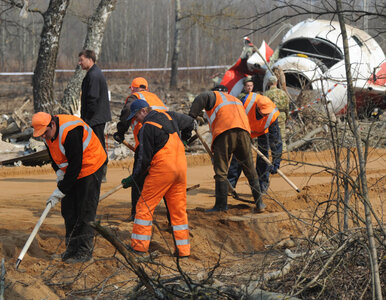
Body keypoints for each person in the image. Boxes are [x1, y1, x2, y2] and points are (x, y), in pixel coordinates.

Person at [31, 112, 107, 263]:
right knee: (68, 210)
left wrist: (61, 190)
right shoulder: (48, 135)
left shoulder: (71, 131)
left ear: (52, 124)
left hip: (91, 166)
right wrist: (59, 173)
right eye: (41, 135)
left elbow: (76, 165)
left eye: (45, 133)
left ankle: (84, 253)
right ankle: (71, 250)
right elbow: (54, 156)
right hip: (73, 170)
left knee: (85, 210)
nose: (43, 137)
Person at [121, 100, 190, 257]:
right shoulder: (169, 116)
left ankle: (139, 247)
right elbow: (191, 123)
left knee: (144, 207)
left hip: (163, 169)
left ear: (144, 111)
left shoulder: (147, 127)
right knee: (178, 210)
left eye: (136, 116)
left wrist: (135, 178)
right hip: (181, 166)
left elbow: (144, 159)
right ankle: (183, 250)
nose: (136, 120)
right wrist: (185, 139)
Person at [189, 85, 265, 213]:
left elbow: (203, 97)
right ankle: (260, 203)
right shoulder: (235, 99)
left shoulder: (214, 95)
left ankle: (221, 205)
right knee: (250, 169)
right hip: (244, 133)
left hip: (225, 132)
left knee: (221, 170)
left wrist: (191, 116)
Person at [113, 77, 169, 220]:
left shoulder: (135, 97)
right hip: (166, 144)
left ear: (133, 88)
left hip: (145, 144)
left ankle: (135, 213)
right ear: (147, 88)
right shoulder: (155, 98)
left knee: (138, 177)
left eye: (131, 88)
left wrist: (120, 133)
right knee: (165, 180)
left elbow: (127, 113)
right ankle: (171, 216)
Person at [227, 92, 282, 193]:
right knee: (239, 155)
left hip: (262, 130)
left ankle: (262, 186)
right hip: (244, 128)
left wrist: (276, 161)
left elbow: (276, 139)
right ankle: (230, 185)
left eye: (267, 113)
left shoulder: (273, 115)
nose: (266, 114)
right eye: (263, 112)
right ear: (257, 107)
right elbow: (233, 116)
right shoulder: (245, 102)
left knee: (263, 156)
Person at [79, 49, 111, 182]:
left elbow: (92, 99)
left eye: (81, 60)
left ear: (89, 59)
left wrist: (86, 119)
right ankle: (96, 171)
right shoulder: (93, 73)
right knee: (95, 145)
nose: (79, 63)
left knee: (97, 145)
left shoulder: (94, 75)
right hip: (95, 117)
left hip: (95, 118)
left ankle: (101, 172)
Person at [264, 75, 290, 150]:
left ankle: (273, 150)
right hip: (281, 114)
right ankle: (283, 149)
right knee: (282, 134)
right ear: (276, 82)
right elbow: (287, 106)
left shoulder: (266, 94)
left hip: (271, 116)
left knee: (272, 134)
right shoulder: (283, 93)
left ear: (269, 83)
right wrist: (287, 115)